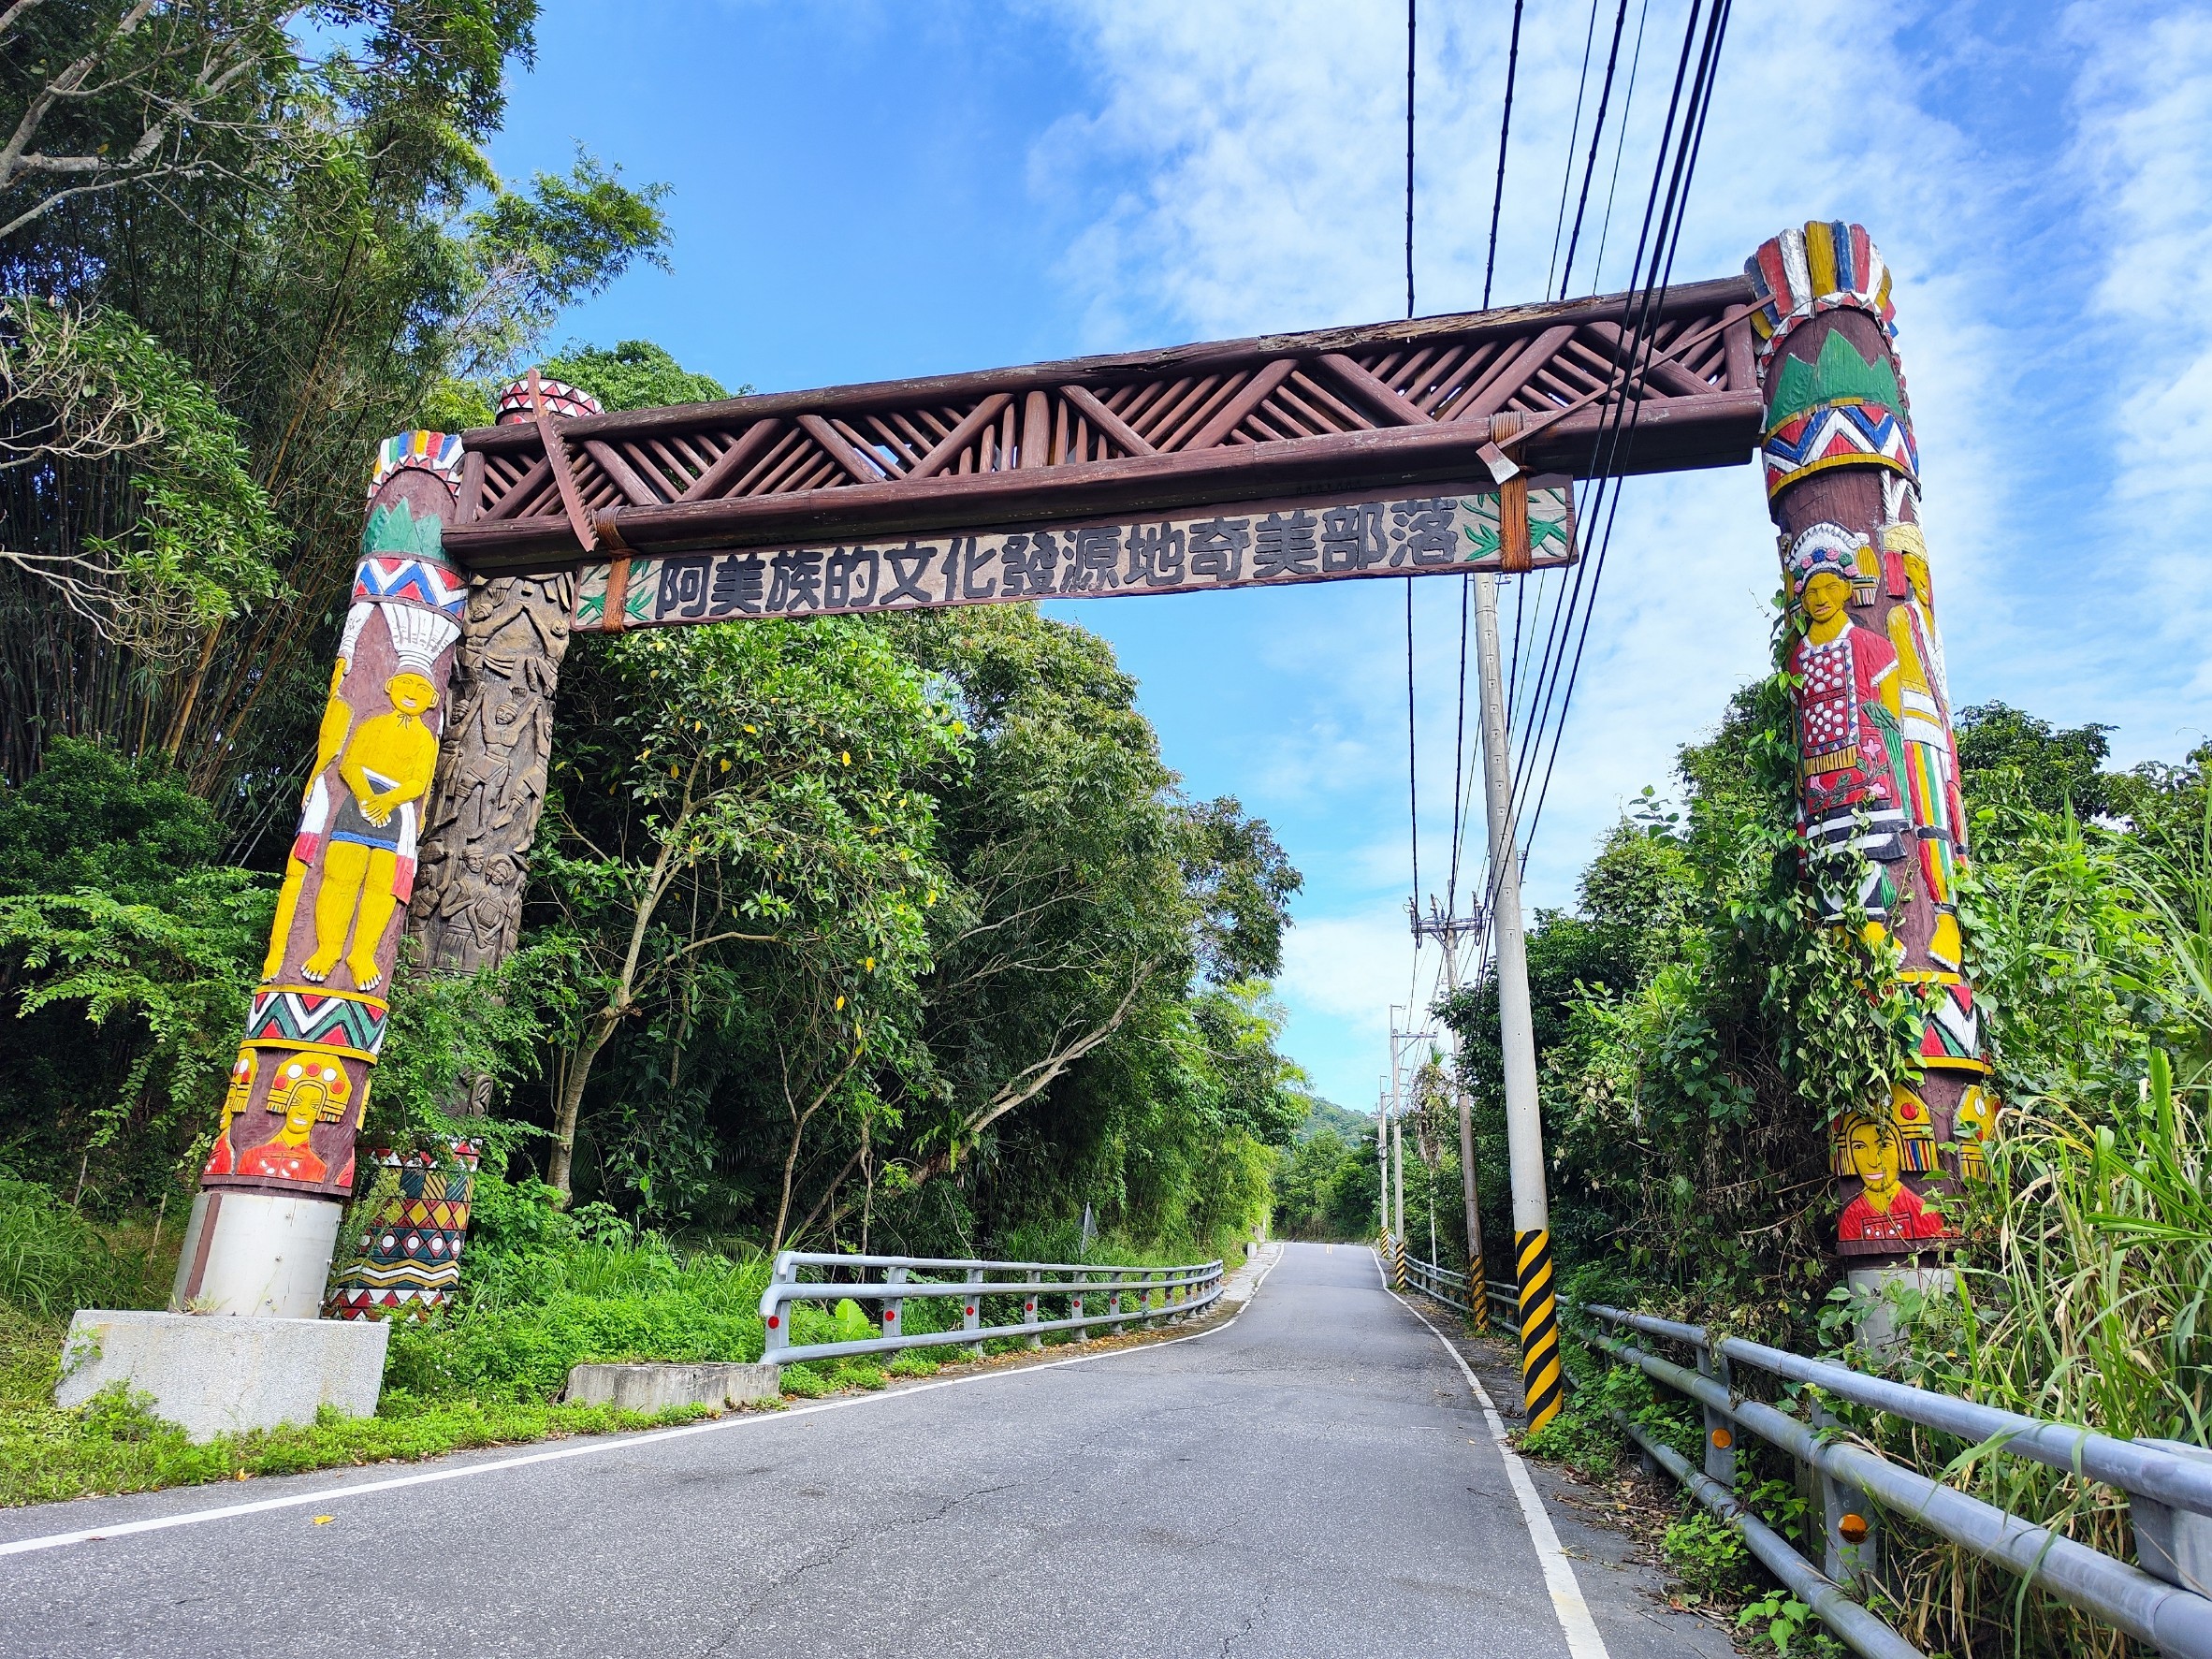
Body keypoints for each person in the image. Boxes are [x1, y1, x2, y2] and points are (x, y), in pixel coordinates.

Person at [1836, 1111, 1945, 1245]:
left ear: (1901, 1149)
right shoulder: (1851, 1216)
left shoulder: (1920, 1210)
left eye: (1884, 1145)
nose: (1873, 1161)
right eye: (1859, 1147)